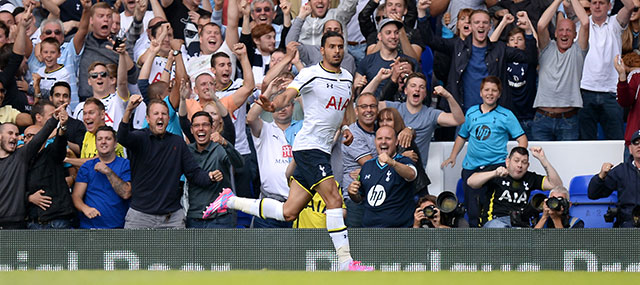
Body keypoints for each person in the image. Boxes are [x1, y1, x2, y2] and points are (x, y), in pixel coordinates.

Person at [204, 31, 373, 271]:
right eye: (332, 46)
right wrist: (273, 105)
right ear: (322, 51)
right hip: (309, 147)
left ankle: (230, 200)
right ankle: (346, 262)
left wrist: (345, 127)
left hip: (322, 150)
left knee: (288, 212)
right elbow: (287, 96)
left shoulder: (346, 78)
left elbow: (345, 108)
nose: (337, 50)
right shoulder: (310, 74)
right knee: (334, 200)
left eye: (340, 46)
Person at [117, 95, 221, 229]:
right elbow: (122, 137)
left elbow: (193, 173)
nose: (160, 116)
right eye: (156, 114)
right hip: (140, 216)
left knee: (176, 251)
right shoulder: (140, 138)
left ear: (168, 119)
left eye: (164, 114)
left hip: (171, 218)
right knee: (135, 251)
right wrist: (128, 111)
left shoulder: (177, 142)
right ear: (148, 119)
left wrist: (209, 176)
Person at [417, 2, 536, 113]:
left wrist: (529, 31)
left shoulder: (500, 48)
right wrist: (421, 13)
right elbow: (430, 40)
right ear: (471, 26)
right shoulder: (457, 45)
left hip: (493, 114)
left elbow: (529, 58)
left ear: (490, 27)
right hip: (463, 113)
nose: (481, 25)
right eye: (477, 22)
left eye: (485, 23)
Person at [442, 76, 528, 228]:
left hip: (496, 167)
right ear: (481, 92)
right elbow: (462, 136)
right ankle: (476, 244)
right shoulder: (471, 112)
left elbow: (522, 138)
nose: (490, 93)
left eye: (494, 90)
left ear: (499, 94)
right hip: (471, 168)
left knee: (491, 208)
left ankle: (490, 240)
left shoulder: (506, 115)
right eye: (486, 90)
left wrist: (516, 161)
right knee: (472, 209)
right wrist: (453, 155)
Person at [246, 77, 302, 228]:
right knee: (265, 251)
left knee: (299, 251)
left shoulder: (304, 129)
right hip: (270, 203)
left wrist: (296, 91)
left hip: (299, 204)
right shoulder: (265, 128)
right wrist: (270, 92)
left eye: (286, 105)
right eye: (277, 106)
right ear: (270, 108)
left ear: (292, 106)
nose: (282, 109)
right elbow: (250, 118)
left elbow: (314, 116)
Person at [0, 104, 66, 229]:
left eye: (16, 134)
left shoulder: (20, 156)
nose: (15, 137)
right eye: (10, 133)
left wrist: (54, 119)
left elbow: (39, 138)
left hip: (16, 225)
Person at [379, 75, 465, 169]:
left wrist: (448, 96)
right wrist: (378, 78)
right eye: (413, 86)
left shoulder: (430, 114)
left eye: (422, 87)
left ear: (424, 94)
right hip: (389, 167)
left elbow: (459, 120)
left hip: (416, 172)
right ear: (406, 91)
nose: (417, 89)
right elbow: (364, 105)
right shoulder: (394, 107)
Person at [531, 0, 589, 141]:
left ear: (575, 35)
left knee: (568, 162)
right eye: (561, 30)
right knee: (538, 162)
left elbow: (586, 23)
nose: (564, 34)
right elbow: (540, 25)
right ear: (555, 33)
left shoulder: (578, 50)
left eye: (569, 30)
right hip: (542, 119)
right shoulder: (546, 48)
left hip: (568, 120)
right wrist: (557, 1)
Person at [467, 146, 563, 228]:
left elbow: (556, 185)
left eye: (524, 162)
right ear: (508, 162)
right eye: (516, 161)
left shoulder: (530, 178)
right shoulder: (497, 172)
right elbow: (471, 182)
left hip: (520, 223)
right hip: (495, 222)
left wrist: (543, 159)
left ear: (527, 165)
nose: (520, 165)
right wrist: (494, 173)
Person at [579, 0, 634, 140]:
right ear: (590, 5)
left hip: (611, 92)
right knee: (586, 144)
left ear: (609, 6)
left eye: (602, 2)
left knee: (615, 142)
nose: (597, 6)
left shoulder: (615, 23)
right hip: (586, 90)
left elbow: (630, 6)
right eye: (594, 2)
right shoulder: (582, 25)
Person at [347, 126, 417, 228]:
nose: (383, 142)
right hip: (370, 230)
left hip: (399, 231)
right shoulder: (367, 165)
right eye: (379, 138)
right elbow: (360, 198)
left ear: (396, 142)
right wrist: (352, 193)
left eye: (388, 138)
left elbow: (412, 174)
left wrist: (392, 163)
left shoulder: (404, 161)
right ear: (375, 142)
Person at [187, 111, 243, 228]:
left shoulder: (219, 148)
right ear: (191, 130)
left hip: (220, 218)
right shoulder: (186, 151)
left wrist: (225, 143)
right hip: (194, 217)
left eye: (205, 125)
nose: (201, 129)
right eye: (196, 125)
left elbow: (239, 164)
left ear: (212, 128)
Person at [24, 104, 75, 229]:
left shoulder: (51, 153)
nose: (26, 140)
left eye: (31, 136)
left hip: (57, 222)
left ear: (43, 138)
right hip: (33, 223)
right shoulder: (20, 160)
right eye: (25, 136)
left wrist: (62, 127)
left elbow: (60, 144)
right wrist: (29, 197)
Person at [71, 126, 131, 229]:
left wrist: (108, 172)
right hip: (90, 228)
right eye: (99, 139)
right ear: (96, 144)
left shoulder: (125, 164)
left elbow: (126, 193)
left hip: (118, 228)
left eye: (108, 139)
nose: (103, 142)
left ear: (115, 144)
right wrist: (85, 208)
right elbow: (76, 196)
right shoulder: (87, 166)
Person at [588, 130, 640, 228]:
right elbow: (593, 194)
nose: (639, 146)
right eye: (636, 143)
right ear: (630, 149)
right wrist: (601, 176)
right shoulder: (620, 171)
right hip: (628, 224)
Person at [354, 18, 417, 97]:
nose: (393, 36)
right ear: (380, 36)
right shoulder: (367, 61)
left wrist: (410, 76)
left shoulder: (408, 62)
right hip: (372, 106)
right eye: (388, 33)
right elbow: (356, 91)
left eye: (396, 33)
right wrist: (358, 85)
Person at [341, 92, 378, 228]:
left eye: (372, 106)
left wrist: (409, 130)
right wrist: (367, 170)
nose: (369, 110)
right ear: (356, 111)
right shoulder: (352, 134)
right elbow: (370, 165)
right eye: (364, 106)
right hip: (356, 198)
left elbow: (374, 168)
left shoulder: (380, 132)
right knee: (356, 244)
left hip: (376, 195)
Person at [614, 53, 640, 161]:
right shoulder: (636, 76)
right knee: (629, 177)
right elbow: (624, 102)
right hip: (636, 141)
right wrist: (622, 77)